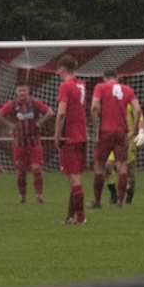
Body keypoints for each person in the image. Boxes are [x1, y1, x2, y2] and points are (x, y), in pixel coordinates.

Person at [0, 81, 54, 203]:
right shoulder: (12, 105)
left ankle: (39, 195)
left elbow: (50, 112)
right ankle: (23, 196)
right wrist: (11, 125)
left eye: (24, 90)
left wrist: (39, 123)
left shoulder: (35, 103)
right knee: (21, 171)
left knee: (36, 169)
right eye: (20, 91)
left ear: (28, 91)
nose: (22, 93)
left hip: (34, 142)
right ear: (16, 92)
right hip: (19, 143)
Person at [89, 70, 142, 208]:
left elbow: (94, 107)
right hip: (121, 132)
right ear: (117, 78)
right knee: (122, 165)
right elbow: (137, 109)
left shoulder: (100, 87)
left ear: (105, 78)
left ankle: (97, 201)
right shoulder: (127, 89)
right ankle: (120, 201)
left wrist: (96, 127)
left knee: (99, 165)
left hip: (105, 131)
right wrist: (133, 130)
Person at [53, 55, 88, 225]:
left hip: (70, 137)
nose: (58, 72)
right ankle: (70, 217)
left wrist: (57, 135)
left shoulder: (65, 86)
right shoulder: (82, 85)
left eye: (58, 69)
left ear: (63, 68)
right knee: (74, 177)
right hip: (81, 136)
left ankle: (81, 218)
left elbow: (61, 114)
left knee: (74, 178)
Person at [105, 106, 144, 204]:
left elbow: (140, 117)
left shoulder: (130, 101)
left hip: (128, 140)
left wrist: (141, 133)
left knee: (129, 171)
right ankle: (113, 194)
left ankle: (130, 192)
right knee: (108, 166)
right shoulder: (111, 101)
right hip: (114, 139)